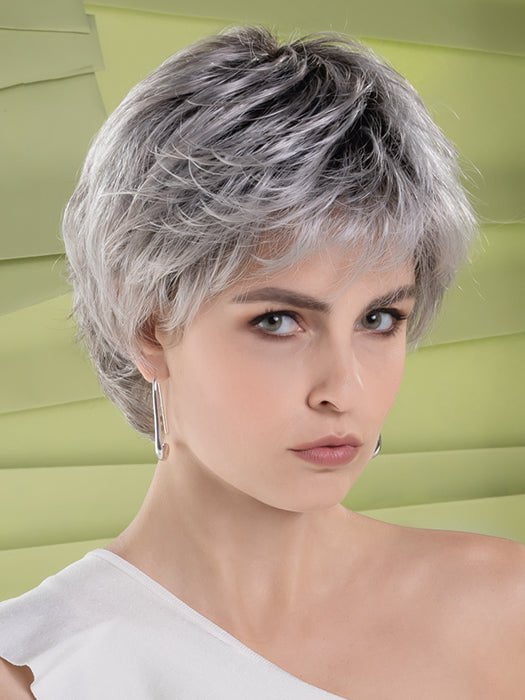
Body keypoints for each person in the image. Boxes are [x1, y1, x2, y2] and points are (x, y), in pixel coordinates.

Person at [1, 24, 523, 699]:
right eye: (278, 321)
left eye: (378, 319)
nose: (343, 388)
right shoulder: (36, 669)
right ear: (150, 327)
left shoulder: (504, 609)